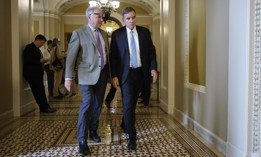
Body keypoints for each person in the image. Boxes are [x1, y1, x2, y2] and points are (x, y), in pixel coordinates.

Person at [110, 7, 158, 150]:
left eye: (133, 17)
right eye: (128, 18)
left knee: (132, 102)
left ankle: (125, 122)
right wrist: (114, 75)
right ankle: (132, 137)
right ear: (124, 20)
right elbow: (114, 57)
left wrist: (153, 68)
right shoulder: (117, 34)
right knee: (129, 104)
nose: (131, 21)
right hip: (126, 74)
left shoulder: (144, 32)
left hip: (141, 73)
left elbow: (151, 52)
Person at [64, 6, 109, 156]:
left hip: (102, 74)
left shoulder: (103, 34)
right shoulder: (79, 33)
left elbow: (106, 55)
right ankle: (82, 139)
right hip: (85, 74)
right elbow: (71, 57)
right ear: (88, 17)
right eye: (98, 16)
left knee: (98, 105)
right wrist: (68, 77)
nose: (101, 19)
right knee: (87, 103)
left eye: (102, 16)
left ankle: (93, 130)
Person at [23, 34, 56, 113]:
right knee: (37, 91)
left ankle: (45, 107)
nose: (42, 45)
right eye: (42, 43)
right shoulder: (29, 48)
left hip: (37, 73)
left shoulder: (36, 49)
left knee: (41, 90)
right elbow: (28, 60)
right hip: (32, 74)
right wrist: (39, 61)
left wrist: (42, 60)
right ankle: (43, 108)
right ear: (37, 40)